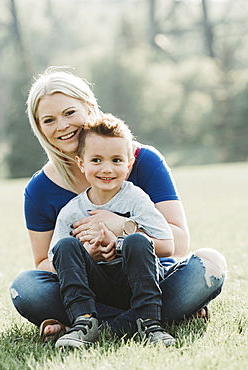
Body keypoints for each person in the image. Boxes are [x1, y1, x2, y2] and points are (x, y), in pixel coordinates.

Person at [9, 66, 227, 343]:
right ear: (39, 128)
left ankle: (89, 323)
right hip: (88, 288)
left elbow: (178, 243)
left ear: (89, 108)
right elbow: (43, 263)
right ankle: (148, 318)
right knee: (26, 288)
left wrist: (122, 227)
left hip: (153, 281)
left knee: (210, 264)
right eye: (48, 120)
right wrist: (87, 255)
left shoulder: (142, 160)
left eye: (69, 113)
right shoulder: (40, 189)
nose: (62, 126)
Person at [49, 113, 176, 348]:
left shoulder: (136, 198)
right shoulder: (71, 211)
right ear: (81, 163)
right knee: (64, 246)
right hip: (98, 288)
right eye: (96, 160)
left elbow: (168, 245)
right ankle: (84, 322)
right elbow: (55, 262)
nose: (107, 169)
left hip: (139, 279)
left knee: (137, 241)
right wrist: (88, 254)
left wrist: (119, 241)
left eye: (116, 160)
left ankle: (149, 322)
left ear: (129, 165)